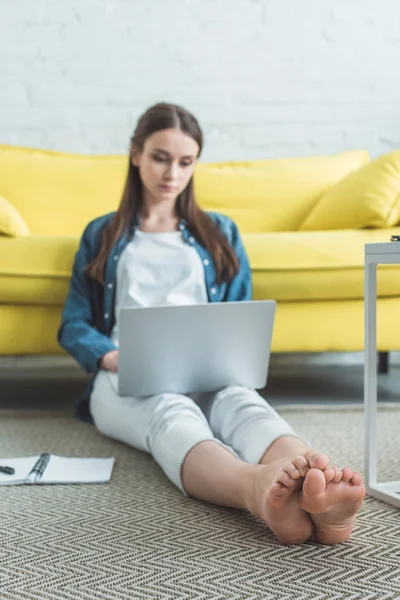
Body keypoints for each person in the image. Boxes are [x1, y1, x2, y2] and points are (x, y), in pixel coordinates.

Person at [58, 102, 365, 545]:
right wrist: (107, 355)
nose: (172, 174)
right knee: (172, 411)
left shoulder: (219, 231)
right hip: (127, 374)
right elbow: (73, 323)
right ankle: (255, 490)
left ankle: (314, 484)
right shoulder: (101, 234)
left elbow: (237, 317)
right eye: (161, 157)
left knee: (241, 401)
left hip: (207, 367)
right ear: (135, 154)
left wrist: (231, 360)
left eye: (186, 162)